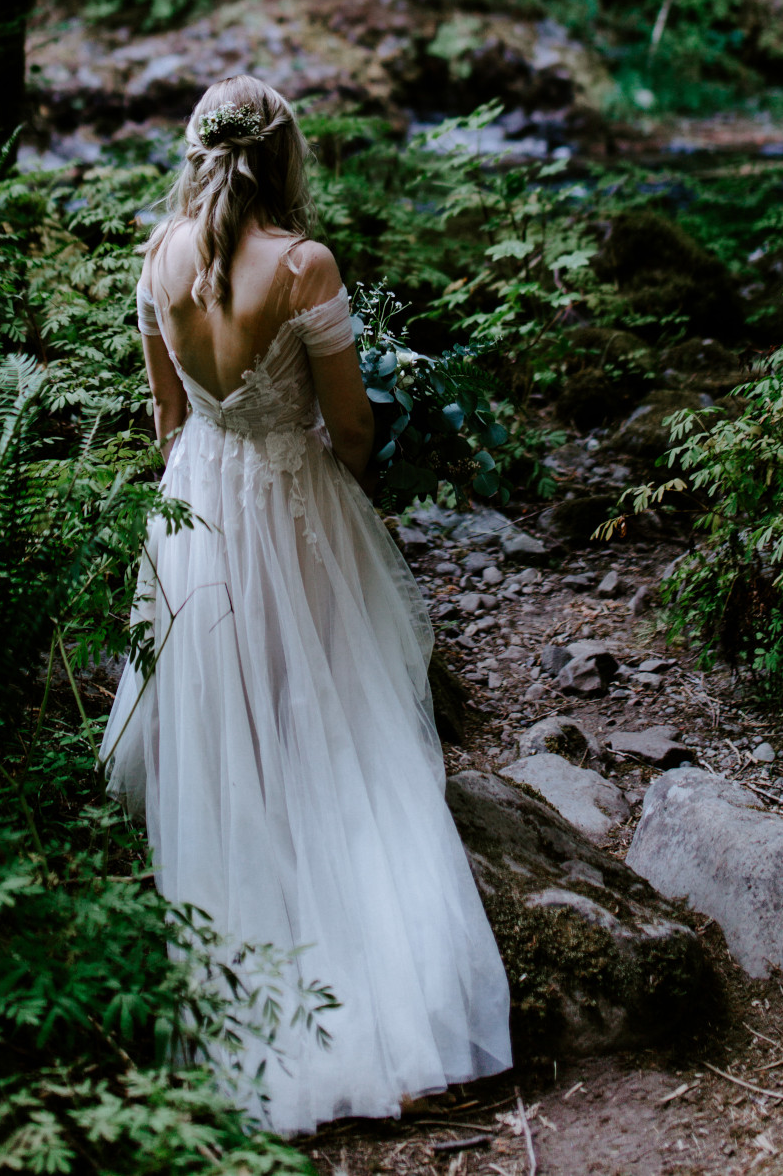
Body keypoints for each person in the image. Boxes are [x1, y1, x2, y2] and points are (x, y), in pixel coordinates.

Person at [101, 75, 512, 1134]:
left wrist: (210, 467)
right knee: (330, 724)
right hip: (291, 500)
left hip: (195, 504)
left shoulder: (156, 257)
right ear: (286, 156)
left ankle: (241, 983)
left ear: (195, 154)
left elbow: (163, 419)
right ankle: (378, 1000)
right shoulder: (302, 266)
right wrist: (329, 469)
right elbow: (355, 427)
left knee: (224, 726)